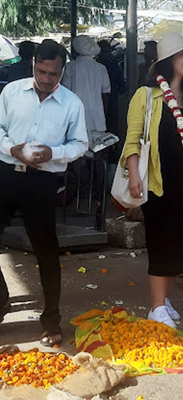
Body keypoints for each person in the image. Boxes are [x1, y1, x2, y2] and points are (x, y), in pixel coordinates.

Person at [0, 39, 88, 346]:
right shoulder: (11, 93)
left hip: (42, 182)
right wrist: (13, 148)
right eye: (41, 71)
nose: (46, 79)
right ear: (33, 63)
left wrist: (54, 152)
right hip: (6, 174)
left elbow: (80, 145)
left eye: (53, 74)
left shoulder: (71, 103)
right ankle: (1, 298)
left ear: (62, 72)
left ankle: (51, 320)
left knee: (46, 253)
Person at [122, 33, 183, 328]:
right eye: (182, 54)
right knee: (159, 241)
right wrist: (134, 175)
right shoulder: (145, 96)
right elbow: (132, 140)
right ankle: (156, 306)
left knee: (178, 242)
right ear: (167, 62)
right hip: (156, 181)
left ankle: (164, 299)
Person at [62, 35, 110, 149]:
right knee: (98, 149)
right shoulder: (101, 68)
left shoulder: (71, 67)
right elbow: (105, 93)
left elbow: (65, 93)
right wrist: (103, 113)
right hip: (97, 117)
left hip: (76, 116)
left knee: (76, 150)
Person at [96, 40, 125, 135]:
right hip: (112, 96)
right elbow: (120, 81)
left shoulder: (98, 63)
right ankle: (112, 147)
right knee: (112, 126)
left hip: (99, 98)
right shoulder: (112, 61)